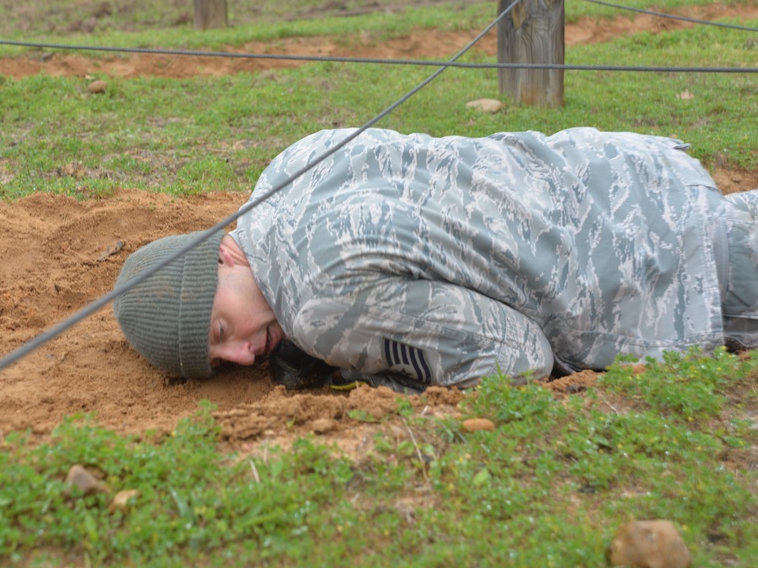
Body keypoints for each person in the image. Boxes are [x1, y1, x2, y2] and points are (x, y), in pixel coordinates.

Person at [112, 127, 758, 390]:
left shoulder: (319, 308)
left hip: (674, 283)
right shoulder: (285, 168)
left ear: (225, 254)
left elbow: (513, 361)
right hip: (642, 175)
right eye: (220, 363)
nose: (244, 356)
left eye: (221, 330)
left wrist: (359, 371)